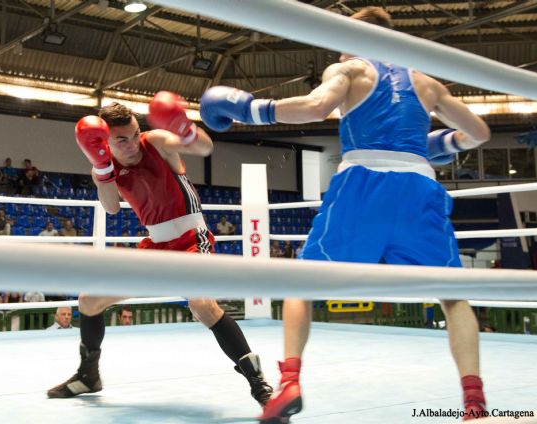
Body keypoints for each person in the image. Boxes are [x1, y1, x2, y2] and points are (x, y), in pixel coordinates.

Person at [199, 7, 491, 422]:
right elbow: (479, 133)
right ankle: (474, 402)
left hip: (363, 184)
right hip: (419, 187)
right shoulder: (427, 82)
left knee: (302, 284)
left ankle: (290, 382)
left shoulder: (352, 69)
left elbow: (317, 107)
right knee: (452, 295)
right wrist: (441, 142)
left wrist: (251, 110)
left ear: (354, 36)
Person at [47, 95, 272, 406]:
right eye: (121, 139)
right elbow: (111, 207)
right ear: (105, 142)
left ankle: (257, 381)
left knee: (202, 304)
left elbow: (205, 148)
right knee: (89, 300)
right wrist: (100, 167)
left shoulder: (155, 141)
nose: (132, 143)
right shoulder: (105, 165)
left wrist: (185, 127)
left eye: (134, 133)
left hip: (193, 237)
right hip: (155, 246)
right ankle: (88, 375)